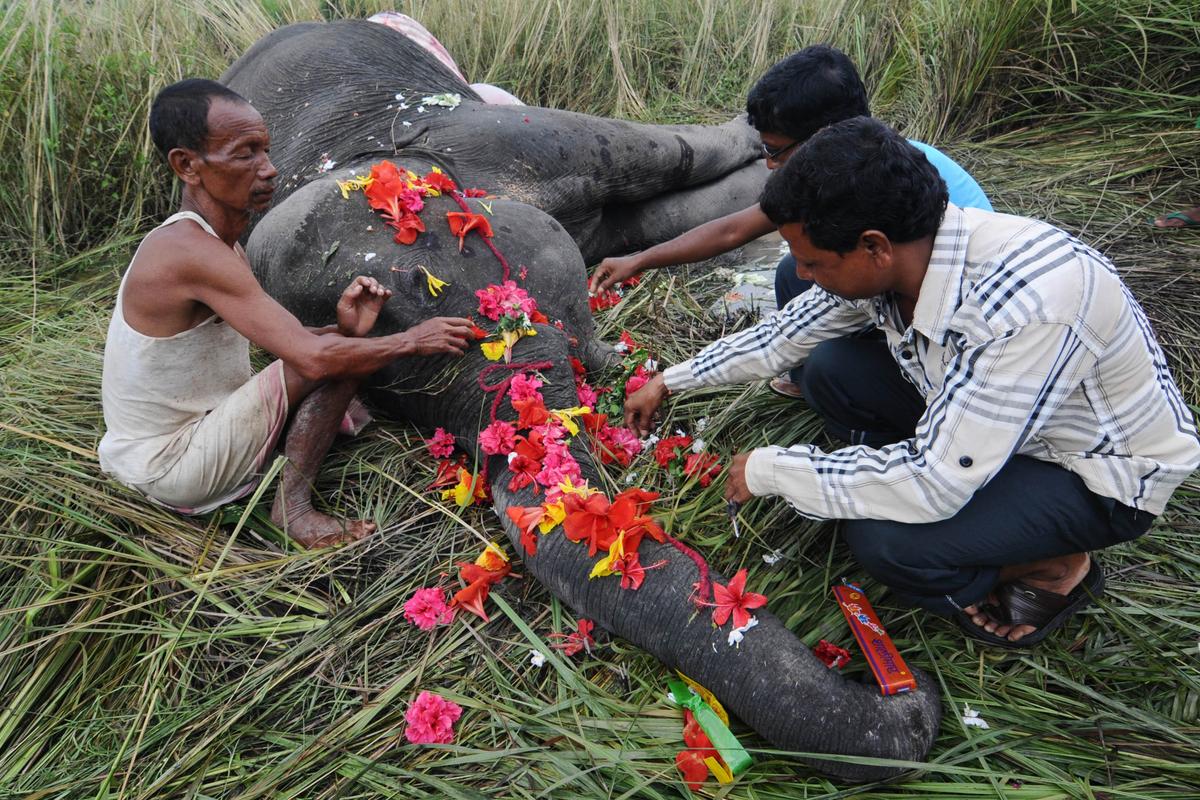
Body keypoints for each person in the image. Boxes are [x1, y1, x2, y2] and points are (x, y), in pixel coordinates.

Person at [625, 117, 1200, 647]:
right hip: (997, 425)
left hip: (1092, 472)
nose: (801, 275)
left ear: (874, 246)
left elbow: (936, 482)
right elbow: (783, 337)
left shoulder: (1025, 306)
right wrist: (669, 381)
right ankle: (916, 498)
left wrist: (774, 470)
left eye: (814, 262)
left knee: (885, 542)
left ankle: (1054, 564)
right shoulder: (906, 257)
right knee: (830, 371)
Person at [99, 79, 476, 548]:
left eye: (266, 150)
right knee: (339, 356)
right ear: (187, 165)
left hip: (173, 442)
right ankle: (292, 511)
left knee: (345, 347)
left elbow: (285, 339)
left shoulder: (214, 245)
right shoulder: (188, 252)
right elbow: (313, 360)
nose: (270, 170)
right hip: (170, 465)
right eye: (245, 154)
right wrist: (412, 340)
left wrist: (341, 330)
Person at [590, 46, 991, 397]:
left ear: (825, 138)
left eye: (776, 150)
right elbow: (734, 230)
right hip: (897, 292)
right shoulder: (838, 175)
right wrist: (639, 260)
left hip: (948, 326)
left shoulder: (873, 186)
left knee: (831, 368)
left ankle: (866, 392)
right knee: (792, 274)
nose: (769, 163)